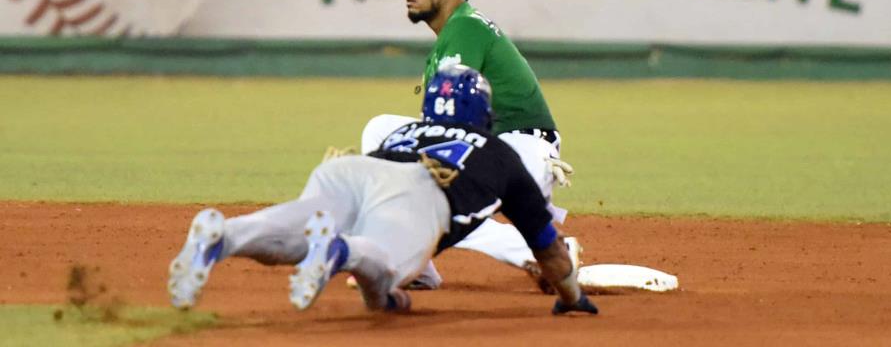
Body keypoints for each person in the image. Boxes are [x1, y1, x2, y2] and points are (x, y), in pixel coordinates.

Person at [167, 65, 597, 316]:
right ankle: (338, 252)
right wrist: (571, 297)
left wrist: (391, 301)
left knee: (293, 233)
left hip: (354, 167)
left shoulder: (408, 129)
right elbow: (549, 251)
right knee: (381, 262)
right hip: (418, 190)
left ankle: (225, 235)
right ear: (484, 112)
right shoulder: (500, 154)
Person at [358, 0, 576, 291]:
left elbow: (452, 128)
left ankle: (541, 252)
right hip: (493, 145)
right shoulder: (452, 32)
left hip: (522, 148)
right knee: (382, 130)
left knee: (444, 201)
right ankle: (419, 269)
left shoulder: (465, 28)